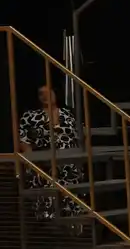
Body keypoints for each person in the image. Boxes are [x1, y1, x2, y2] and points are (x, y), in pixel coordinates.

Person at [19, 83, 85, 219]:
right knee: (48, 192)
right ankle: (49, 222)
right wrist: (34, 163)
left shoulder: (69, 114)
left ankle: (72, 222)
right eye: (41, 94)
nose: (45, 96)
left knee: (71, 193)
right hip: (44, 164)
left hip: (69, 164)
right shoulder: (29, 116)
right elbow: (23, 140)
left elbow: (83, 135)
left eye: (48, 92)